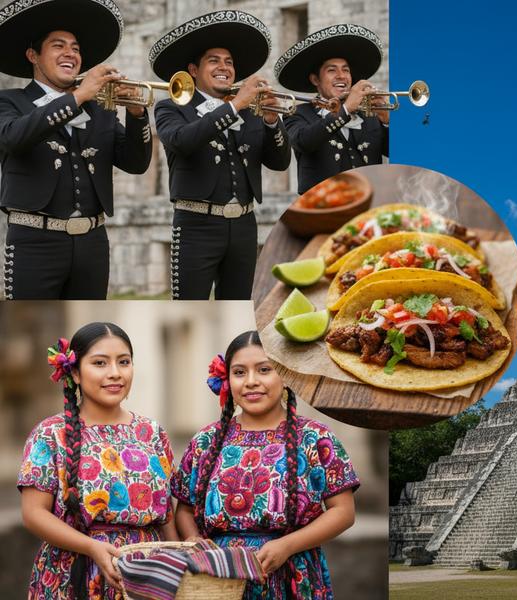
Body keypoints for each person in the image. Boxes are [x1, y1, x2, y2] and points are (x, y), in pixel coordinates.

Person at [172, 331, 358, 598]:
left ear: (286, 374)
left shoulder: (316, 438)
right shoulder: (205, 441)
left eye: (264, 369)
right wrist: (194, 541)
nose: (251, 382)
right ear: (227, 380)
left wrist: (287, 545)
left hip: (292, 574)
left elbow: (343, 512)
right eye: (239, 372)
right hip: (218, 578)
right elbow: (185, 510)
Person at [0, 0, 153, 300]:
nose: (71, 53)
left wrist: (137, 115)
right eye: (58, 46)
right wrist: (80, 95)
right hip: (34, 242)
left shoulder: (99, 110)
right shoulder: (9, 102)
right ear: (33, 55)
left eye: (76, 48)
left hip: (93, 243)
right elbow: (13, 138)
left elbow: (136, 163)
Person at [18, 322, 177, 598]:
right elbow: (33, 514)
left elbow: (166, 512)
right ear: (76, 373)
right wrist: (92, 547)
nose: (115, 373)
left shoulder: (151, 432)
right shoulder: (50, 434)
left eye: (124, 362)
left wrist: (180, 560)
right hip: (75, 573)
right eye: (100, 363)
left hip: (149, 576)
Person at [151, 10, 291, 300]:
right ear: (193, 70)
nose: (224, 67)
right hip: (195, 224)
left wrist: (270, 121)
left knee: (239, 306)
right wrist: (235, 105)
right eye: (214, 60)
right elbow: (182, 141)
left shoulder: (249, 111)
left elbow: (280, 163)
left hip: (243, 224)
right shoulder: (171, 108)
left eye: (229, 62)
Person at [274, 24, 389, 194]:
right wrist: (346, 110)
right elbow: (304, 142)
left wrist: (386, 120)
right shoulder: (298, 113)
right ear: (315, 80)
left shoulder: (368, 115)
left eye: (346, 70)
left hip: (369, 202)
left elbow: (392, 152)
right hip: (323, 207)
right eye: (331, 70)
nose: (341, 76)